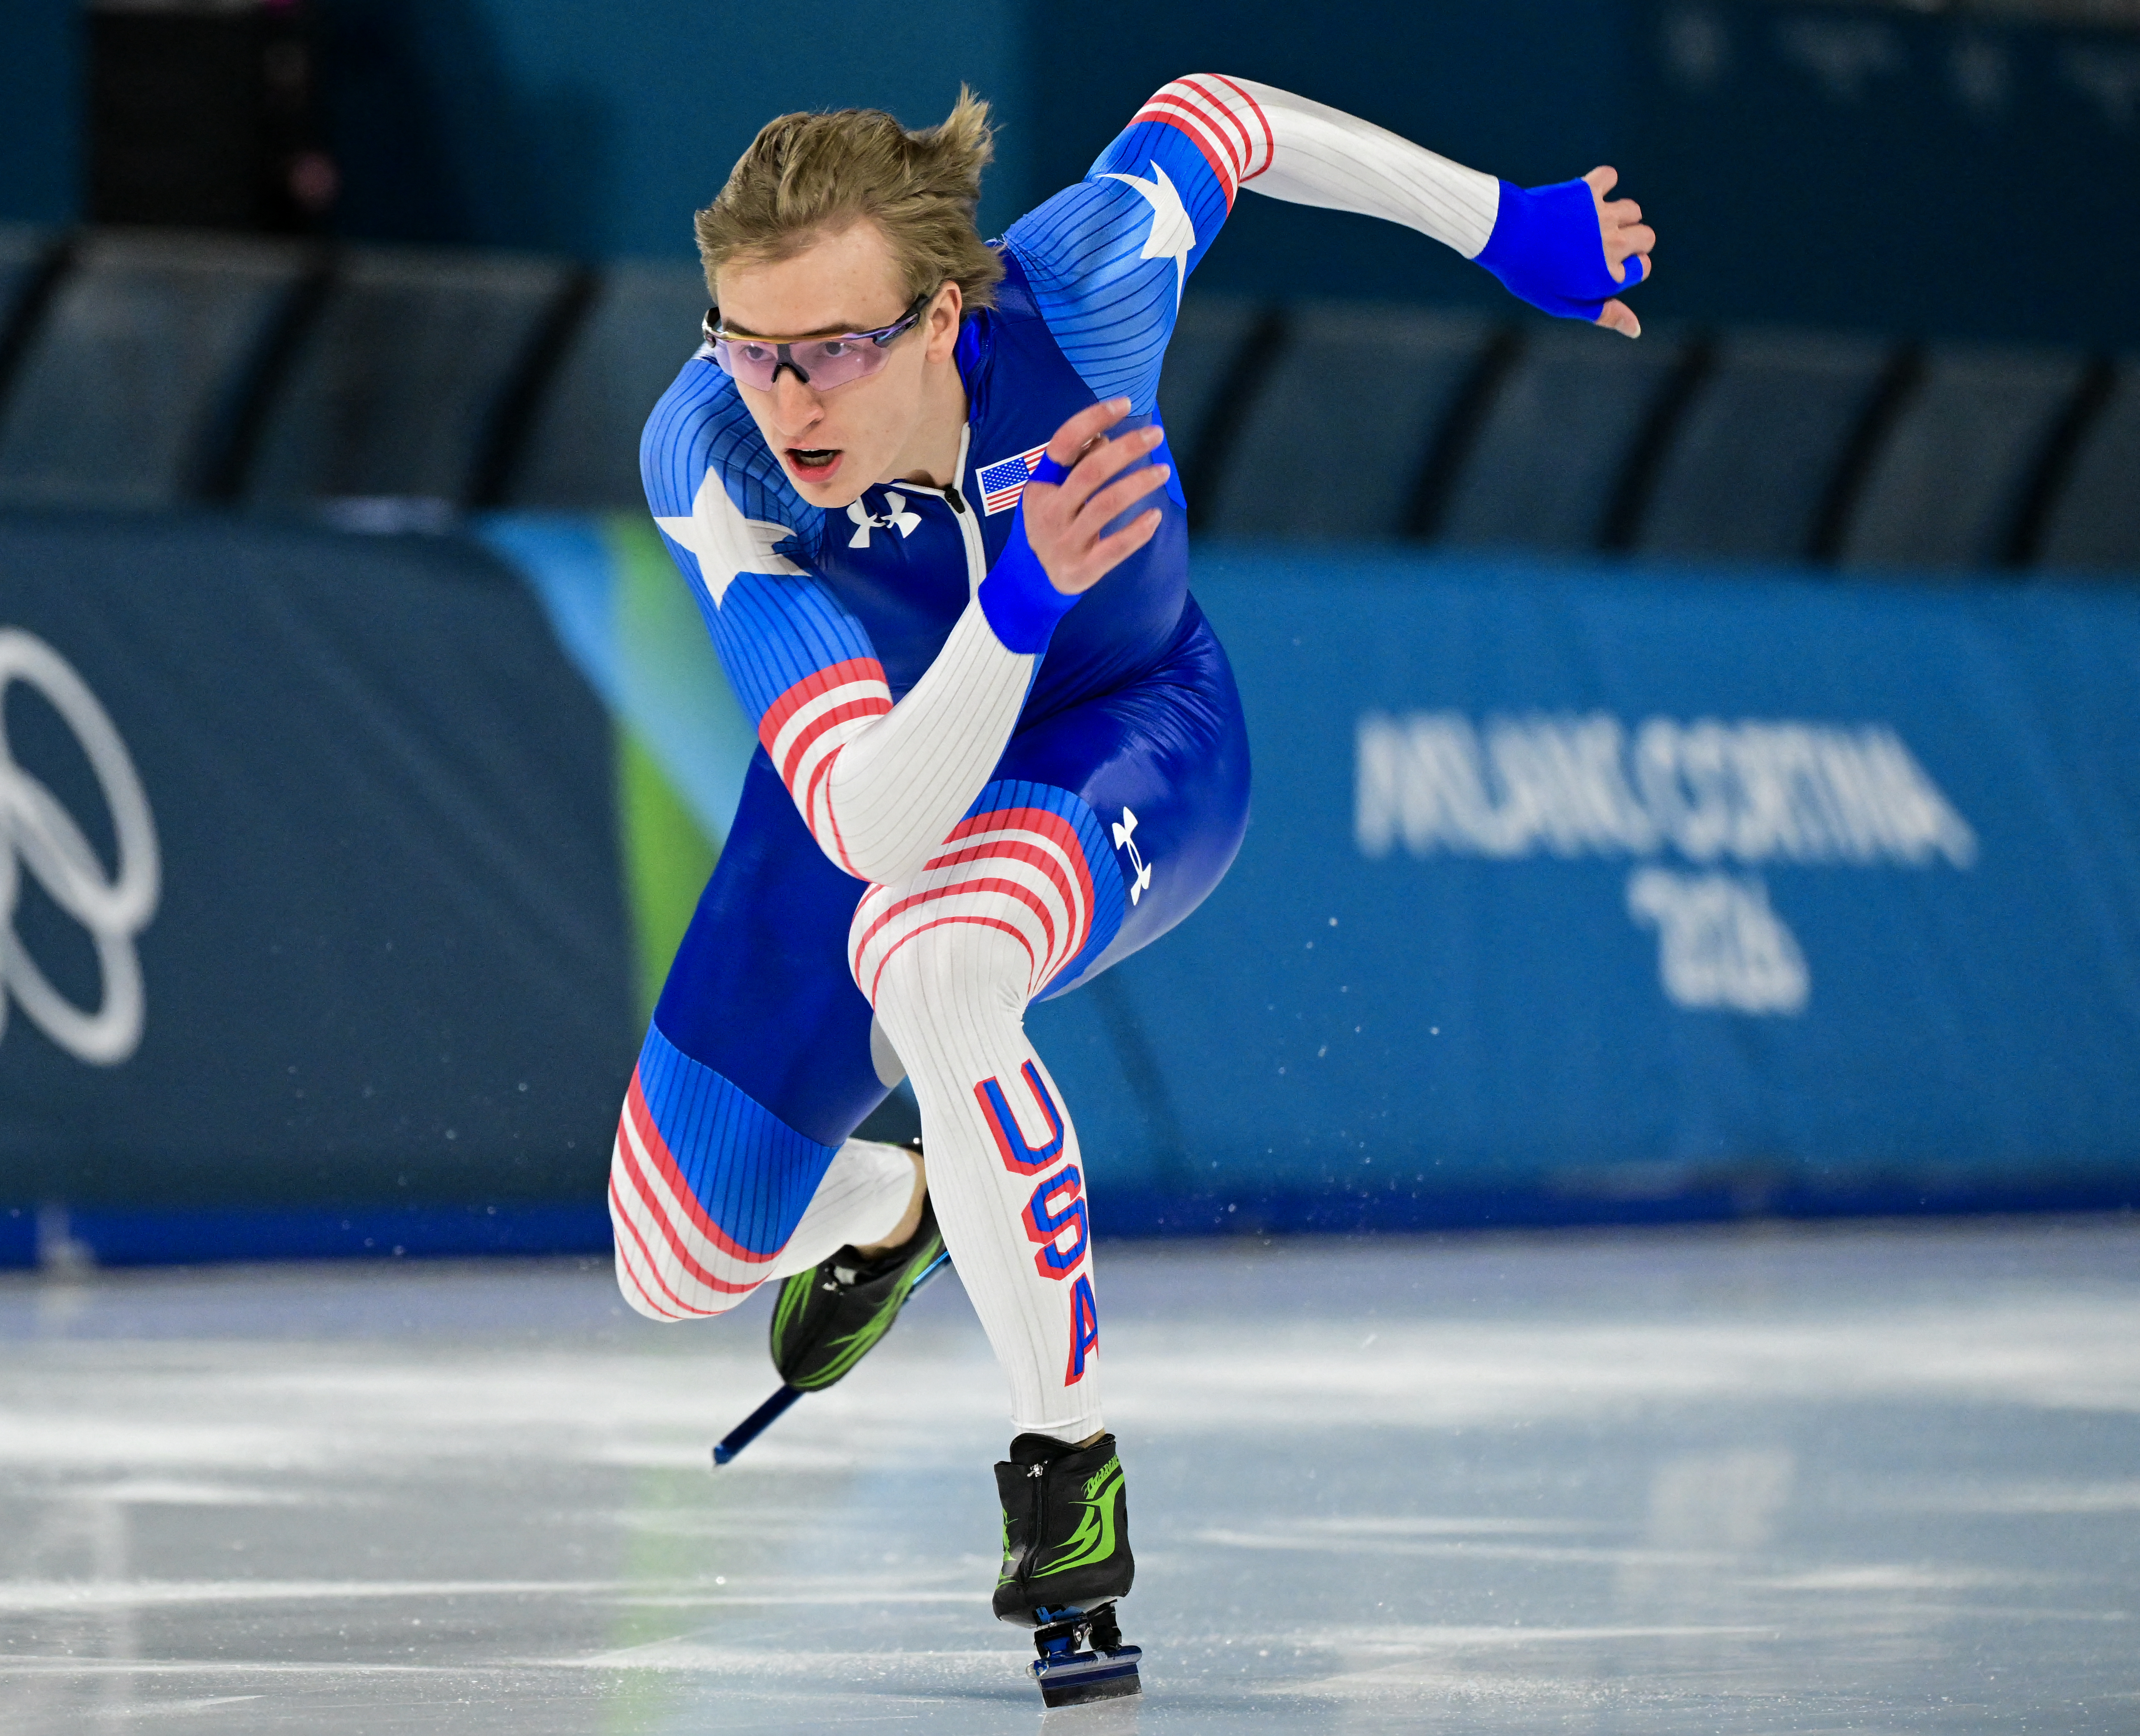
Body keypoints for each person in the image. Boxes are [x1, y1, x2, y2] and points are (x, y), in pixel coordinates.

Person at [613, 74, 1653, 1703]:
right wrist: (1015, 602)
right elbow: (871, 818)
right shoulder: (713, 454)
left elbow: (1219, 119)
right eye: (750, 346)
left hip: (1128, 735)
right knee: (673, 1261)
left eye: (834, 349)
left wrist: (1500, 223)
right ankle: (897, 1204)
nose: (788, 397)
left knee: (936, 960)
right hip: (875, 764)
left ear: (941, 317)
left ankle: (1065, 1467)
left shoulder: (1082, 294)